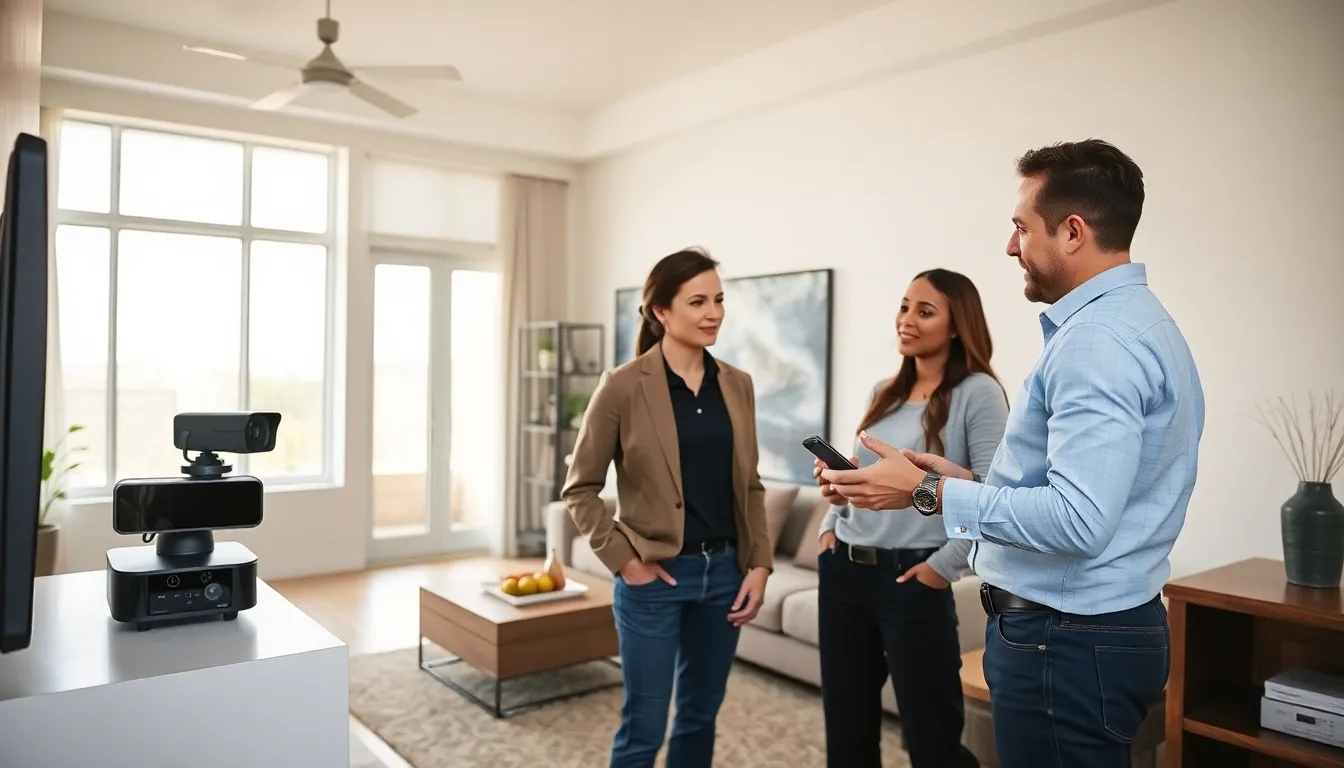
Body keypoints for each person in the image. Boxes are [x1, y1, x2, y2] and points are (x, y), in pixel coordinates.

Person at [817, 139, 1205, 768]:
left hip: (1064, 640)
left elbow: (1079, 520)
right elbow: (1090, 492)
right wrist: (961, 478)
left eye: (1021, 227)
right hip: (1092, 631)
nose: (1010, 245)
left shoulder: (1095, 343)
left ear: (1072, 231)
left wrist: (927, 493)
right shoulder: (1143, 324)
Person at [562, 247, 773, 768]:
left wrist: (761, 565)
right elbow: (579, 487)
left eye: (719, 300)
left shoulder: (738, 385)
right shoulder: (623, 386)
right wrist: (625, 562)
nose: (714, 313)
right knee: (644, 726)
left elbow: (750, 484)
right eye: (698, 301)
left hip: (724, 574)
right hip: (654, 580)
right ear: (660, 312)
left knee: (701, 717)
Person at [813, 268, 1006, 768]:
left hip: (912, 579)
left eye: (925, 311)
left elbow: (990, 497)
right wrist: (831, 516)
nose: (907, 319)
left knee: (932, 740)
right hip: (844, 572)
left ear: (958, 324)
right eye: (904, 306)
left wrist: (941, 568)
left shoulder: (977, 393)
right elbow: (867, 485)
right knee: (847, 732)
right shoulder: (885, 391)